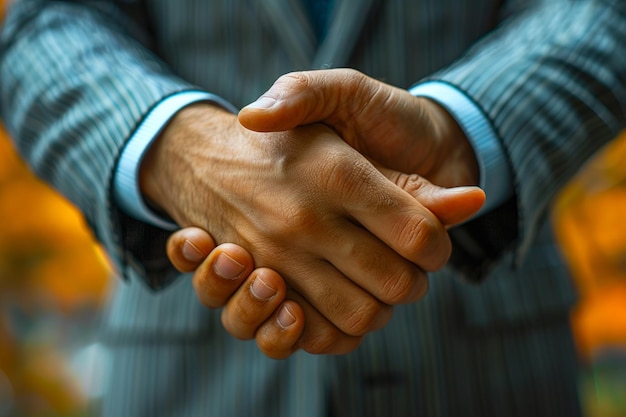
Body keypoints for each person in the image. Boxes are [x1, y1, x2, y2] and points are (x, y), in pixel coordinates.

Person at [1, 1, 625, 416]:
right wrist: (181, 151)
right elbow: (46, 24)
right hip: (186, 377)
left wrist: (459, 129)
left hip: (488, 372)